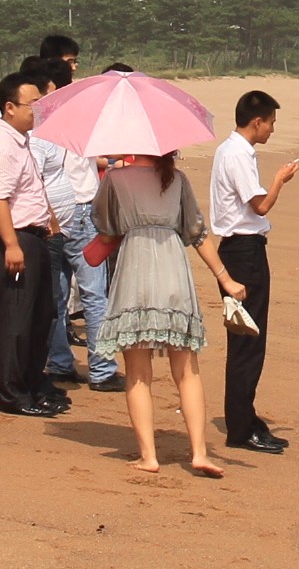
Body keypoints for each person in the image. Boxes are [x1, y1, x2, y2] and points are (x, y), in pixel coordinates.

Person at [97, 151, 242, 477]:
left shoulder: (115, 179)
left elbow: (106, 229)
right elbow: (197, 233)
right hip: (174, 273)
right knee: (187, 370)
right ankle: (200, 453)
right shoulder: (177, 179)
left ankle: (149, 456)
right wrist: (225, 278)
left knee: (137, 371)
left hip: (136, 272)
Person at [210, 89, 299, 454]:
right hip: (243, 251)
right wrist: (280, 179)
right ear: (257, 121)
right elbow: (260, 206)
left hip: (239, 250)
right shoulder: (237, 153)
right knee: (249, 341)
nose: (272, 130)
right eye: (271, 123)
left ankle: (245, 418)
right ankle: (241, 426)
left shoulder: (229, 150)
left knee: (246, 338)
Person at [0, 72, 63, 415]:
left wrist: (49, 221)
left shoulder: (19, 141)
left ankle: (30, 383)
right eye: (33, 104)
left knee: (41, 316)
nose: (37, 111)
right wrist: (12, 245)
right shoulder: (0, 145)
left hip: (32, 236)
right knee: (17, 320)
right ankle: (12, 394)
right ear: (9, 107)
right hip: (14, 238)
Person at [36, 97, 114, 393]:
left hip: (54, 212)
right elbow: (104, 155)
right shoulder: (76, 122)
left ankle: (59, 361)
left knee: (57, 294)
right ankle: (102, 368)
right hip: (79, 209)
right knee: (94, 294)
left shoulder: (39, 128)